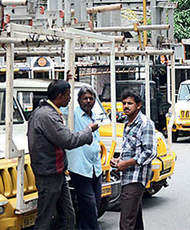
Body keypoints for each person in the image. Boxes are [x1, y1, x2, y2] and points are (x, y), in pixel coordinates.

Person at [28, 80, 98, 230]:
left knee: (68, 216)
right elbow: (67, 139)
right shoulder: (46, 115)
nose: (69, 99)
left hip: (57, 172)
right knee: (45, 218)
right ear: (59, 95)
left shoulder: (50, 112)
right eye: (68, 95)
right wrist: (88, 131)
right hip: (49, 174)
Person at [111, 90, 156, 230]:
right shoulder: (128, 123)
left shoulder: (144, 123)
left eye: (129, 103)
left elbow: (149, 152)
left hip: (136, 178)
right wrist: (119, 160)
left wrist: (126, 163)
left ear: (138, 105)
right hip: (127, 176)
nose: (126, 106)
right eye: (123, 103)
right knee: (135, 220)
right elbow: (131, 149)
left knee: (126, 222)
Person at [66, 87, 103, 230]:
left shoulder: (94, 116)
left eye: (91, 98)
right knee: (89, 205)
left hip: (95, 168)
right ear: (79, 100)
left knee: (94, 204)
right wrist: (68, 78)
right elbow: (63, 108)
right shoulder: (73, 115)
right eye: (85, 98)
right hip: (80, 168)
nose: (88, 101)